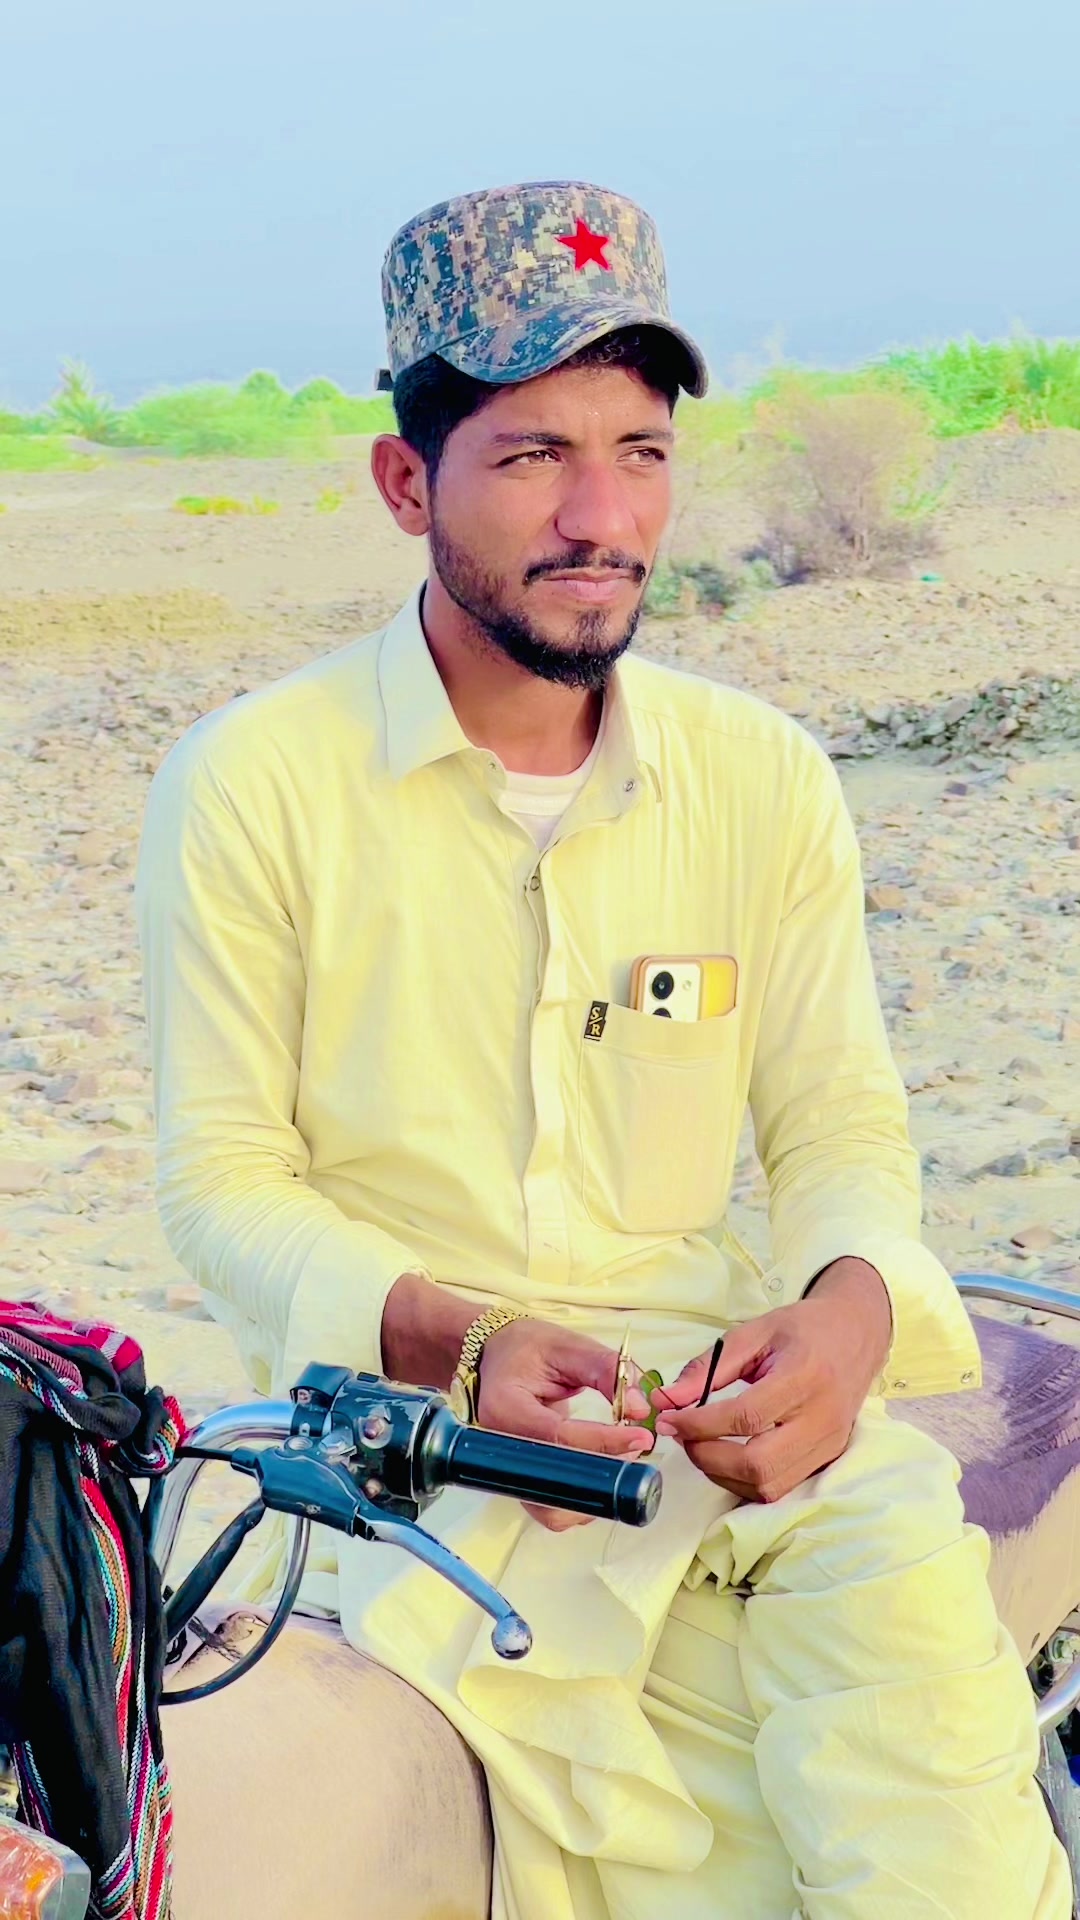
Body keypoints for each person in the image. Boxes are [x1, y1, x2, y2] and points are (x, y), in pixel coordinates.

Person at [134, 180, 1071, 1918]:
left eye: (641, 452)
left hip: (739, 1438)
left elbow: (839, 1126)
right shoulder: (255, 783)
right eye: (533, 456)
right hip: (407, 1453)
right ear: (406, 483)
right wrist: (461, 1339)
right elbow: (222, 1182)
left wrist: (848, 1318)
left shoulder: (761, 776)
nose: (601, 516)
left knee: (942, 1826)